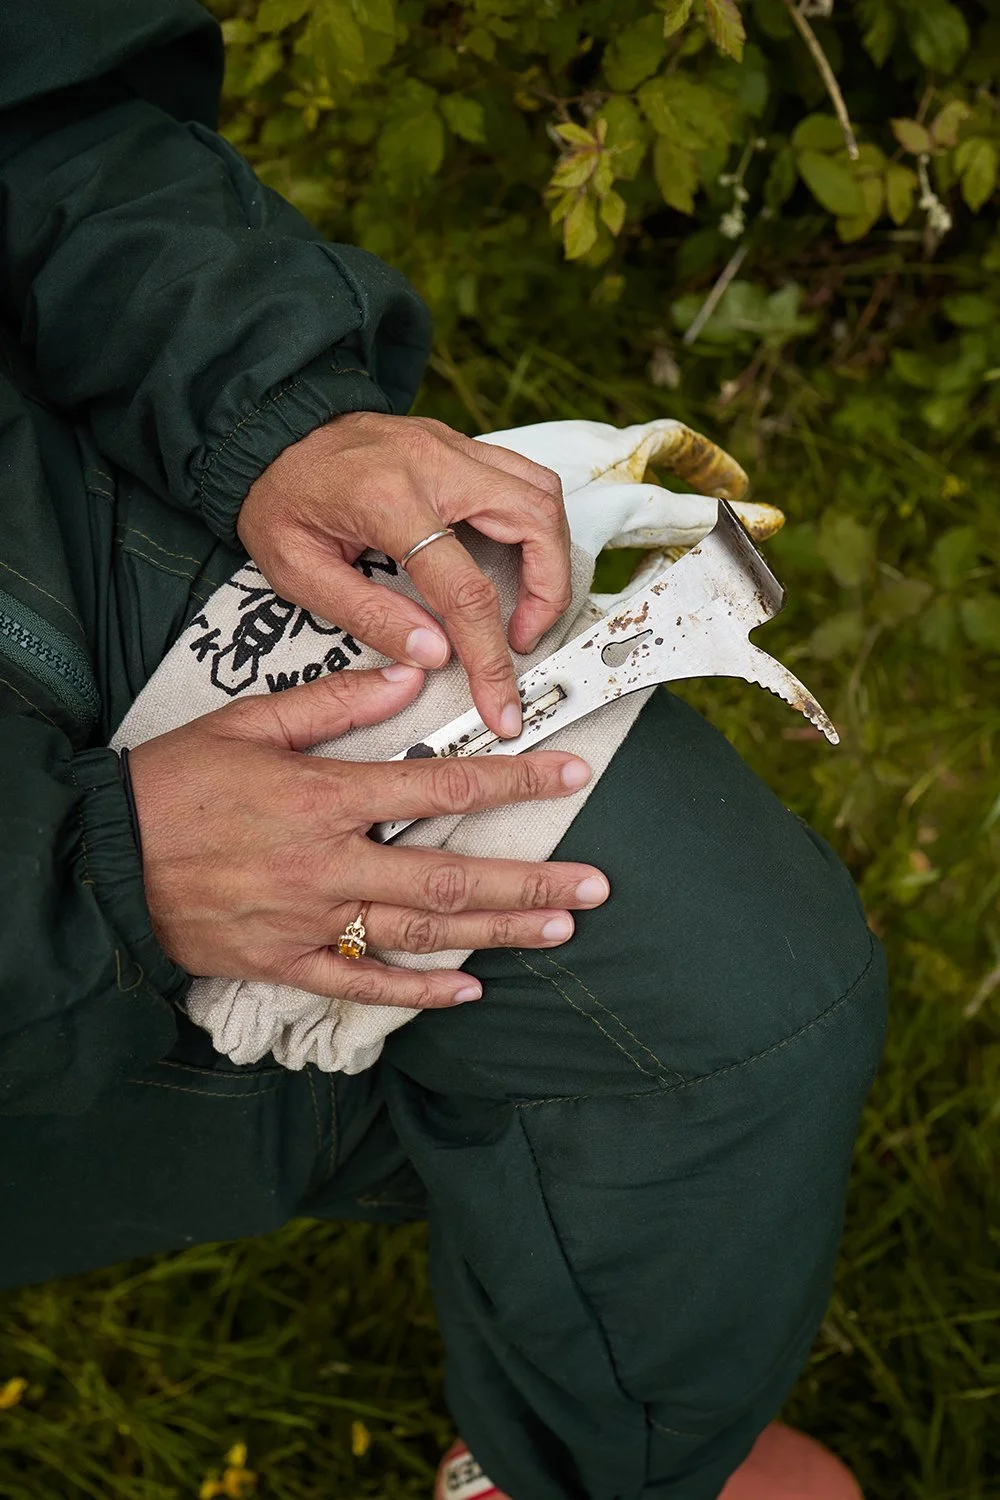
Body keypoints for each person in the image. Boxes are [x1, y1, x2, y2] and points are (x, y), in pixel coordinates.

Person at [0, 4, 886, 1496]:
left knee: (733, 1016)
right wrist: (81, 879)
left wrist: (276, 415)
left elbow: (43, 111)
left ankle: (580, 1457)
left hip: (44, 532)